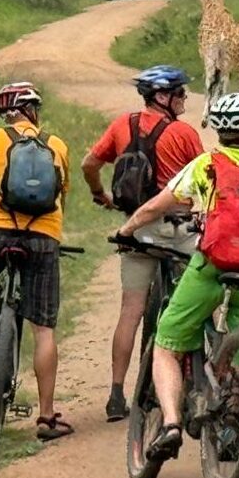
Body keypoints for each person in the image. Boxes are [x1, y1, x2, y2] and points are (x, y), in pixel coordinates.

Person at [117, 92, 239, 478]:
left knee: (166, 342)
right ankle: (233, 441)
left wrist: (125, 229)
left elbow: (155, 207)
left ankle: (173, 424)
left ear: (218, 128)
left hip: (209, 265)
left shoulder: (206, 165)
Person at [81, 65, 204, 421]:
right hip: (176, 231)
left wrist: (100, 194)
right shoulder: (184, 133)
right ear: (163, 97)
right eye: (180, 93)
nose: (184, 99)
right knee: (199, 301)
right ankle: (193, 380)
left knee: (130, 312)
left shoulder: (123, 125)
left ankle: (117, 394)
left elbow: (90, 164)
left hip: (135, 231)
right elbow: (203, 179)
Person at [0, 82, 74, 440]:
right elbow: (60, 200)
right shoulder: (58, 145)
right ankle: (47, 417)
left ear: (5, 113)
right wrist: (50, 237)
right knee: (44, 330)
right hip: (43, 237)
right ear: (33, 111)